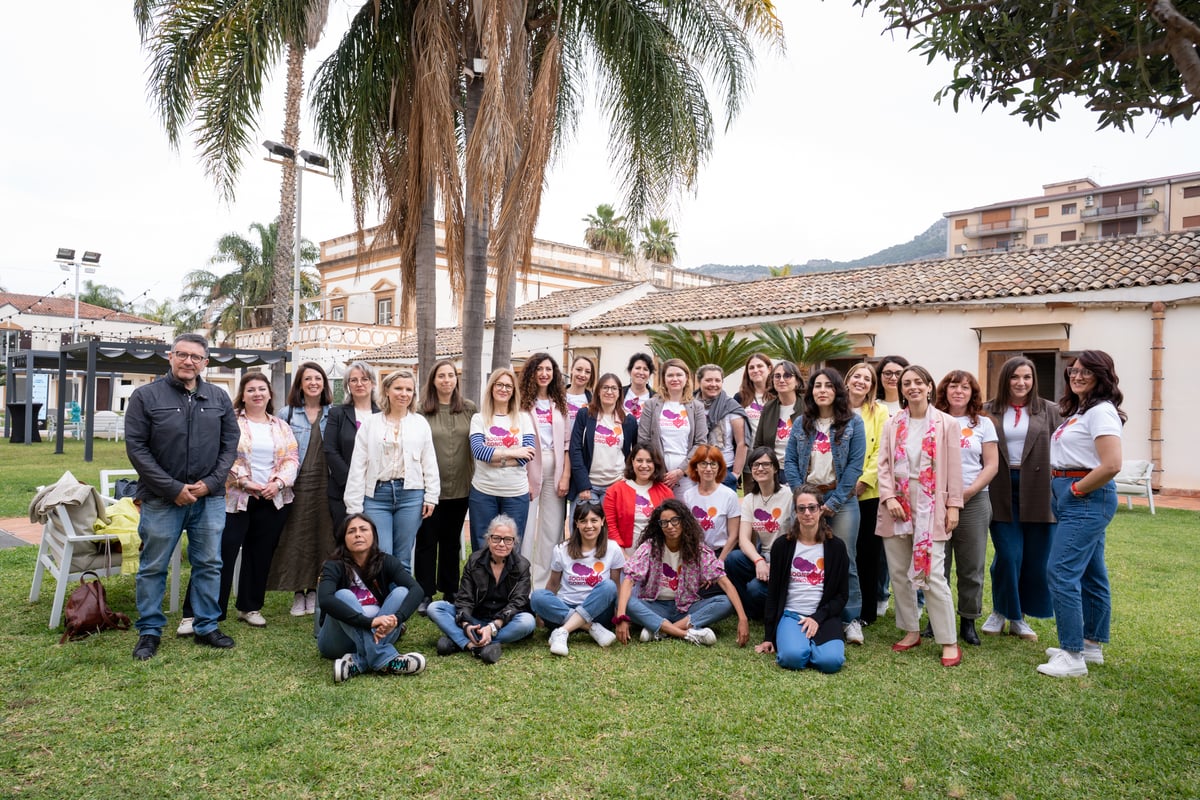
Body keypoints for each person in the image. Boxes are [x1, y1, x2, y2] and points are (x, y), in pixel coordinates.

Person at [126, 333, 239, 660]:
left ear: (206, 362)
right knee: (153, 566)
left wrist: (211, 483)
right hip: (162, 499)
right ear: (170, 356)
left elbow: (230, 444)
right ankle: (149, 631)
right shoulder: (145, 397)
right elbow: (137, 448)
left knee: (209, 563)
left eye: (196, 357)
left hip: (210, 499)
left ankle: (206, 625)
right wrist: (172, 488)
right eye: (182, 354)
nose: (189, 361)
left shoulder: (218, 397)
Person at [182, 371, 299, 630]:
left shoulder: (281, 425)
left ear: (270, 393)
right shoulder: (230, 420)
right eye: (251, 390)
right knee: (218, 554)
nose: (257, 394)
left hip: (272, 499)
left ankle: (250, 606)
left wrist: (278, 483)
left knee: (260, 556)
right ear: (242, 396)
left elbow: (292, 458)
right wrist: (244, 481)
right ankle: (196, 613)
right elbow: (222, 455)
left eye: (261, 389)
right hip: (234, 498)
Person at [1039, 350, 1124, 678]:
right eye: (1073, 371)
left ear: (1101, 375)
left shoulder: (1101, 412)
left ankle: (1072, 655)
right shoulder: (1082, 410)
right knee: (1091, 571)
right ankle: (1090, 645)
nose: (1077, 375)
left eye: (1086, 371)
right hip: (1072, 493)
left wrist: (1076, 490)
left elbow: (1112, 464)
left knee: (1060, 572)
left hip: (1085, 495)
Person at [877, 365, 964, 668]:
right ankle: (911, 630)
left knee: (933, 573)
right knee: (899, 571)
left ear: (929, 386)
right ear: (901, 390)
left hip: (931, 501)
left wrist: (954, 505)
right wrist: (888, 497)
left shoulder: (947, 423)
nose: (912, 387)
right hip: (897, 501)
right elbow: (884, 465)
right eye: (906, 383)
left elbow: (954, 467)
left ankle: (948, 640)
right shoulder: (892, 424)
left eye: (918, 382)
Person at [783, 368, 866, 644]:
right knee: (806, 554)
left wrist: (833, 502)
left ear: (837, 391)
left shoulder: (853, 423)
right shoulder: (801, 423)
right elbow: (791, 463)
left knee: (846, 558)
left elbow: (855, 466)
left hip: (841, 501)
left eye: (828, 386)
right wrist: (803, 498)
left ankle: (851, 618)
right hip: (807, 501)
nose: (821, 390)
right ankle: (807, 610)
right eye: (817, 386)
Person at [981, 356, 1061, 641]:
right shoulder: (987, 410)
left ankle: (1019, 616)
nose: (1021, 383)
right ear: (1005, 379)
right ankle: (1003, 612)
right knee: (1009, 554)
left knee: (1036, 558)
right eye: (1015, 377)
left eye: (1027, 377)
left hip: (1041, 490)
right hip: (1000, 486)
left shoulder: (1050, 410)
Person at [613, 499, 750, 647]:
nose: (670, 526)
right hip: (655, 606)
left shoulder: (697, 549)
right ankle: (685, 633)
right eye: (664, 522)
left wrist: (743, 619)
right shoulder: (650, 547)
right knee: (625, 602)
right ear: (659, 526)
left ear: (684, 521)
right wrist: (621, 617)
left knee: (725, 602)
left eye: (675, 520)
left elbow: (724, 581)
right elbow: (629, 580)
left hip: (686, 608)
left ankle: (661, 630)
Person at [344, 369, 440, 570]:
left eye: (408, 389)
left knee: (403, 556)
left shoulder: (419, 423)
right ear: (387, 390)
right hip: (377, 496)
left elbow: (429, 461)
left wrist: (431, 496)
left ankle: (402, 600)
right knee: (382, 554)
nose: (403, 394)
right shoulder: (371, 423)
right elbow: (358, 465)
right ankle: (384, 600)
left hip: (411, 496)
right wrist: (353, 506)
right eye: (398, 388)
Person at [931, 370, 998, 646]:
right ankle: (935, 620)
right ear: (944, 391)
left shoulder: (983, 423)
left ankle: (968, 620)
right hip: (936, 499)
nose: (959, 391)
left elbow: (992, 464)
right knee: (938, 563)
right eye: (953, 386)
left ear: (973, 393)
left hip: (974, 498)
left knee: (971, 565)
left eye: (965, 387)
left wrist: (968, 492)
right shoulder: (933, 420)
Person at [317, 513, 426, 682]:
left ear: (373, 535)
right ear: (343, 539)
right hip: (336, 642)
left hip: (381, 633)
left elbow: (416, 590)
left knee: (401, 592)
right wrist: (369, 622)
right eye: (351, 531)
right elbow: (325, 600)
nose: (358, 534)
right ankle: (387, 660)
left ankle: (356, 664)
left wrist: (398, 619)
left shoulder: (386, 561)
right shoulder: (334, 565)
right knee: (343, 595)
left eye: (363, 529)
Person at [755, 485, 849, 673]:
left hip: (824, 615)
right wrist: (769, 637)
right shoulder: (783, 546)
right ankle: (799, 644)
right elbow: (773, 594)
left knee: (831, 662)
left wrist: (817, 618)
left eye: (812, 508)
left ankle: (813, 646)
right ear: (795, 511)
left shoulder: (836, 547)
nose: (807, 513)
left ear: (821, 509)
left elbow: (841, 595)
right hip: (792, 615)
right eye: (801, 508)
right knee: (792, 658)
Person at [426, 515, 536, 664]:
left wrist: (492, 627)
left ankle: (462, 641)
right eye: (496, 538)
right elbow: (464, 597)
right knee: (435, 607)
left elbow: (519, 602)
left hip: (503, 622)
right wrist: (466, 625)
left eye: (507, 539)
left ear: (514, 542)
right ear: (488, 539)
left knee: (528, 622)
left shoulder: (522, 566)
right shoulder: (474, 561)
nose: (502, 544)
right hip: (475, 617)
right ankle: (473, 645)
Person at [270, 361, 333, 617]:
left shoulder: (334, 412)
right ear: (300, 384)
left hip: (325, 484)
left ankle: (317, 590)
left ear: (324, 383)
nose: (313, 383)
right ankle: (298, 592)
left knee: (323, 537)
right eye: (308, 379)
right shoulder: (287, 413)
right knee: (294, 537)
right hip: (295, 485)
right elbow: (278, 450)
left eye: (318, 378)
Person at [415, 360, 477, 613]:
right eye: (441, 376)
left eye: (451, 375)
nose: (446, 380)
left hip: (461, 486)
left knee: (452, 541)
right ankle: (424, 592)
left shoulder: (469, 409)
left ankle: (450, 589)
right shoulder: (421, 412)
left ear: (456, 380)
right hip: (429, 488)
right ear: (433, 380)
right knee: (427, 540)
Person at [530, 503, 625, 656]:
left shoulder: (613, 548)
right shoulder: (561, 549)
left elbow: (616, 586)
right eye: (583, 521)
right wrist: (542, 612)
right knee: (537, 596)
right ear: (576, 523)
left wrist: (619, 615)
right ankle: (591, 628)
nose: (589, 526)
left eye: (594, 520)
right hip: (565, 606)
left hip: (599, 611)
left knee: (608, 586)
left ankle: (563, 631)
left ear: (602, 521)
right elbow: (553, 584)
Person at [467, 368, 536, 552]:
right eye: (500, 385)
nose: (504, 389)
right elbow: (479, 452)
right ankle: (482, 582)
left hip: (515, 493)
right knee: (482, 547)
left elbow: (527, 456)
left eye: (508, 386)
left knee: (511, 548)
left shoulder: (523, 419)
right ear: (491, 388)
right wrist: (514, 452)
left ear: (514, 390)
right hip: (483, 492)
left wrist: (495, 457)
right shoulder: (479, 418)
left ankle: (508, 582)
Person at [520, 352, 572, 589]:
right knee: (527, 528)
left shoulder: (560, 403)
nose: (544, 374)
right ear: (531, 372)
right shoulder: (521, 402)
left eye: (549, 369)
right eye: (539, 369)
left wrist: (565, 475)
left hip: (556, 467)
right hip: (528, 467)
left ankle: (543, 588)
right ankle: (522, 585)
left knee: (552, 531)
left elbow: (568, 445)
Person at [844, 362, 888, 626]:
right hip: (838, 492)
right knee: (842, 551)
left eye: (867, 379)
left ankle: (866, 611)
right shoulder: (835, 409)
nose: (861, 381)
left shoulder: (879, 412)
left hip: (868, 492)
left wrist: (863, 481)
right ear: (847, 380)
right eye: (857, 376)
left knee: (868, 553)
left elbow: (881, 450)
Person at [725, 446, 792, 619]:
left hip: (785, 559)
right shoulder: (749, 499)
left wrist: (774, 564)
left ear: (776, 468)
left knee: (755, 588)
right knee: (733, 560)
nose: (760, 468)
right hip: (763, 556)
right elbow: (744, 540)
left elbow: (796, 538)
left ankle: (773, 610)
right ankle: (749, 609)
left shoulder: (789, 495)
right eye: (755, 465)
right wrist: (759, 560)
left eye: (765, 464)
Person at [637, 358, 708, 501]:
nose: (674, 379)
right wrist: (659, 470)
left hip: (686, 477)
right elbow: (643, 441)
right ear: (663, 379)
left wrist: (681, 471)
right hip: (657, 474)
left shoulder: (696, 407)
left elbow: (700, 443)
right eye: (670, 375)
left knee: (685, 518)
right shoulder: (651, 405)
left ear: (686, 377)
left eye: (679, 375)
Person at [569, 371, 638, 516]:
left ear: (619, 393)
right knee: (584, 531)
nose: (609, 391)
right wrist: (583, 485)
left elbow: (636, 452)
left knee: (609, 533)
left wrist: (627, 477)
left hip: (616, 485)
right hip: (588, 486)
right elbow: (575, 450)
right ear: (598, 391)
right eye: (605, 387)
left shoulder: (628, 420)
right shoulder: (585, 414)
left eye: (614, 388)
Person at [872, 355, 910, 614]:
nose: (892, 377)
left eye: (898, 373)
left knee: (910, 543)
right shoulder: (874, 406)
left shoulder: (913, 407)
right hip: (879, 485)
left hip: (910, 485)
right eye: (887, 372)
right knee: (883, 548)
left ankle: (914, 601)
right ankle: (881, 595)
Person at [324, 361, 379, 526]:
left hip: (377, 492)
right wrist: (353, 480)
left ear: (373, 383)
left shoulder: (383, 414)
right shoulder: (337, 413)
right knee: (345, 541)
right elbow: (330, 450)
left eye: (365, 379)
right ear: (347, 385)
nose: (359, 384)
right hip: (343, 489)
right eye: (353, 380)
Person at [603, 445, 675, 556]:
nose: (644, 465)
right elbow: (610, 527)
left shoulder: (666, 493)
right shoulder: (614, 491)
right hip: (624, 556)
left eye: (649, 461)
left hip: (658, 557)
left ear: (655, 464)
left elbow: (672, 527)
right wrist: (625, 558)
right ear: (632, 462)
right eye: (639, 460)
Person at [682, 445, 741, 561]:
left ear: (719, 467)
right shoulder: (688, 495)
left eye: (713, 464)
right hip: (696, 555)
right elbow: (687, 533)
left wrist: (719, 563)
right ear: (696, 467)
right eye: (703, 464)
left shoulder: (729, 495)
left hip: (721, 554)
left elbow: (734, 536)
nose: (708, 469)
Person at [697, 364, 748, 491]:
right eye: (708, 380)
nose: (713, 384)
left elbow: (742, 442)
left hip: (724, 469)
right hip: (696, 469)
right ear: (699, 381)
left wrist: (735, 474)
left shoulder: (731, 407)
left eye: (717, 380)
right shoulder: (690, 405)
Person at [751, 359, 802, 466]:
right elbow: (759, 445)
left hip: (800, 470)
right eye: (777, 376)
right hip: (773, 470)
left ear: (797, 380)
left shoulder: (808, 406)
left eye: (787, 375)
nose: (781, 380)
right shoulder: (768, 408)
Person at [734, 352, 774, 451]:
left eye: (760, 366)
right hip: (749, 455)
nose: (755, 370)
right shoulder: (740, 397)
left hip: (774, 455)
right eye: (751, 368)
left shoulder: (778, 396)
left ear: (769, 369)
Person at [621, 352, 656, 422]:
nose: (641, 372)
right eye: (638, 368)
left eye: (645, 369)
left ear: (649, 374)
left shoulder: (656, 398)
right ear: (630, 371)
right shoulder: (619, 393)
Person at [564, 355, 595, 429]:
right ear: (571, 370)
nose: (582, 374)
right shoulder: (556, 396)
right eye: (579, 369)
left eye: (587, 372)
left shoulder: (593, 401)